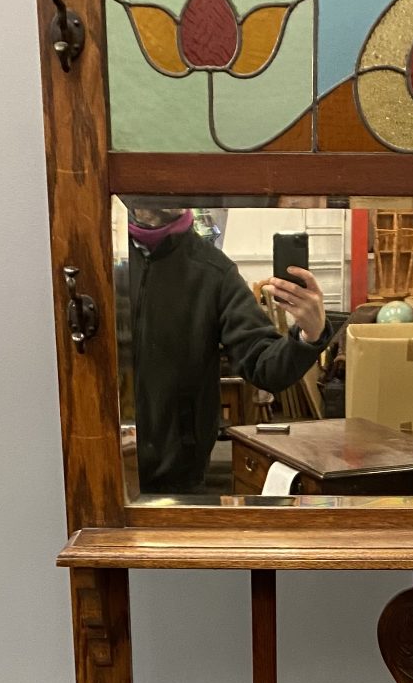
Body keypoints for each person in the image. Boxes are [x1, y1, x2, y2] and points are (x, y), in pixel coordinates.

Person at [124, 204, 331, 494]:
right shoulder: (96, 254)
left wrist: (310, 334)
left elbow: (263, 364)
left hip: (178, 472)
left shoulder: (214, 272)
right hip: (95, 459)